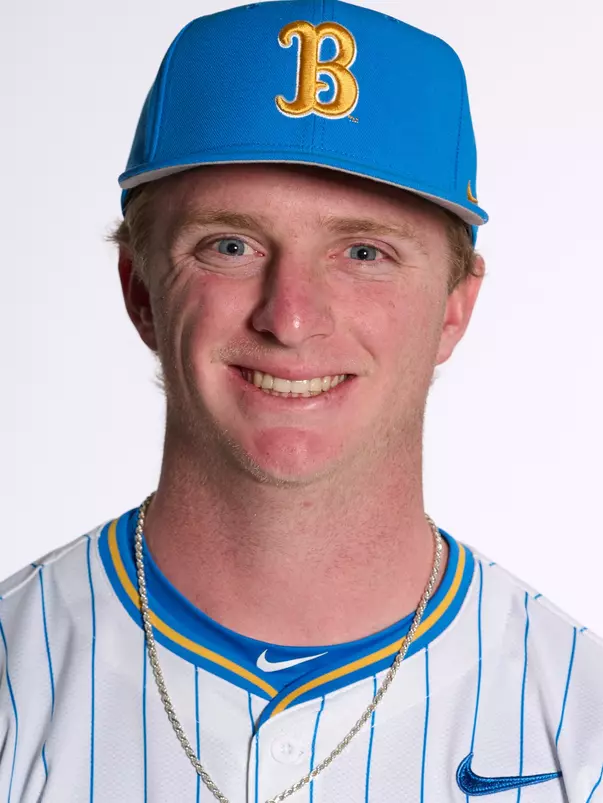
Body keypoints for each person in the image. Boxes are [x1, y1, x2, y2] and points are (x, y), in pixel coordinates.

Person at [1, 1, 602, 800]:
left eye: (363, 251)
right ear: (140, 289)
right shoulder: (17, 677)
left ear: (454, 305)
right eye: (230, 245)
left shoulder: (579, 720)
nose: (288, 318)